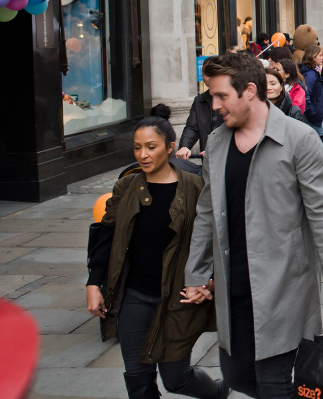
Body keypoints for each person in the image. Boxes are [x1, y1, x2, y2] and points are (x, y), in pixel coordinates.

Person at [183, 52, 323, 398]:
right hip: (231, 288)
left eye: (221, 96)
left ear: (250, 90)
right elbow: (207, 212)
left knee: (273, 382)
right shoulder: (217, 142)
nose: (213, 104)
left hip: (282, 289)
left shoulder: (299, 139)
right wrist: (196, 274)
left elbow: (322, 215)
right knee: (237, 378)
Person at [86, 107, 223, 399]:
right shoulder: (126, 186)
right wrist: (93, 283)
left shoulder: (196, 187)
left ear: (170, 148)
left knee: (176, 379)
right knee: (137, 380)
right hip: (133, 295)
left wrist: (210, 281)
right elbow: (105, 238)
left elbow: (215, 239)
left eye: (151, 147)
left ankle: (218, 392)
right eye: (137, 147)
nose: (143, 154)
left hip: (178, 298)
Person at [175, 57, 223, 160]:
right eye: (206, 73)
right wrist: (185, 146)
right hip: (207, 159)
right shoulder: (199, 100)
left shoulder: (233, 97)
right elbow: (192, 127)